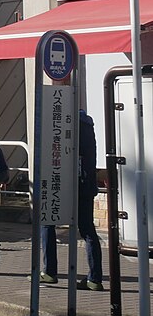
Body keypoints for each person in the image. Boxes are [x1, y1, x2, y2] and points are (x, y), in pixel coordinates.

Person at [40, 109, 104, 289]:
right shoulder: (88, 125)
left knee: (47, 222)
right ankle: (95, 278)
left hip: (62, 185)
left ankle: (49, 271)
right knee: (88, 230)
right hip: (86, 184)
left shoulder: (58, 124)